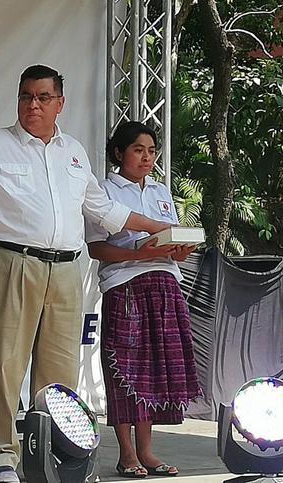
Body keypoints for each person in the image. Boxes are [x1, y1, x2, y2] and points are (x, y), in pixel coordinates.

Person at [0, 67, 170, 483]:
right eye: (26, 96)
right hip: (11, 261)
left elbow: (105, 211)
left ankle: (59, 455)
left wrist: (159, 229)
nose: (33, 105)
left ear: (60, 103)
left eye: (43, 97)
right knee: (1, 365)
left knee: (60, 372)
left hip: (64, 269)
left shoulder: (73, 152)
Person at [86, 121, 200, 478]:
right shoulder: (104, 190)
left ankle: (148, 451)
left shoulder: (161, 191)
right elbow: (96, 247)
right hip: (126, 285)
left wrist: (179, 249)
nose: (146, 157)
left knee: (154, 370)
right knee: (126, 370)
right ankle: (126, 453)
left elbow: (174, 245)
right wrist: (137, 254)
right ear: (119, 152)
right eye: (138, 149)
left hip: (165, 284)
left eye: (152, 151)